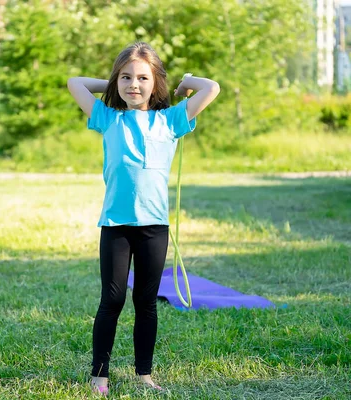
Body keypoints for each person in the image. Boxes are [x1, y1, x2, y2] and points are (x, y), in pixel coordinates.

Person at [67, 42, 220, 395]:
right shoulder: (108, 117)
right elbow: (75, 82)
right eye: (125, 77)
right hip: (116, 227)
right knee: (113, 299)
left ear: (155, 83)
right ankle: (99, 376)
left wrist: (184, 86)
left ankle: (144, 375)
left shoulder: (171, 120)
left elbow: (211, 88)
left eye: (142, 78)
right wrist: (112, 84)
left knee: (146, 302)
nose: (133, 84)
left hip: (153, 228)